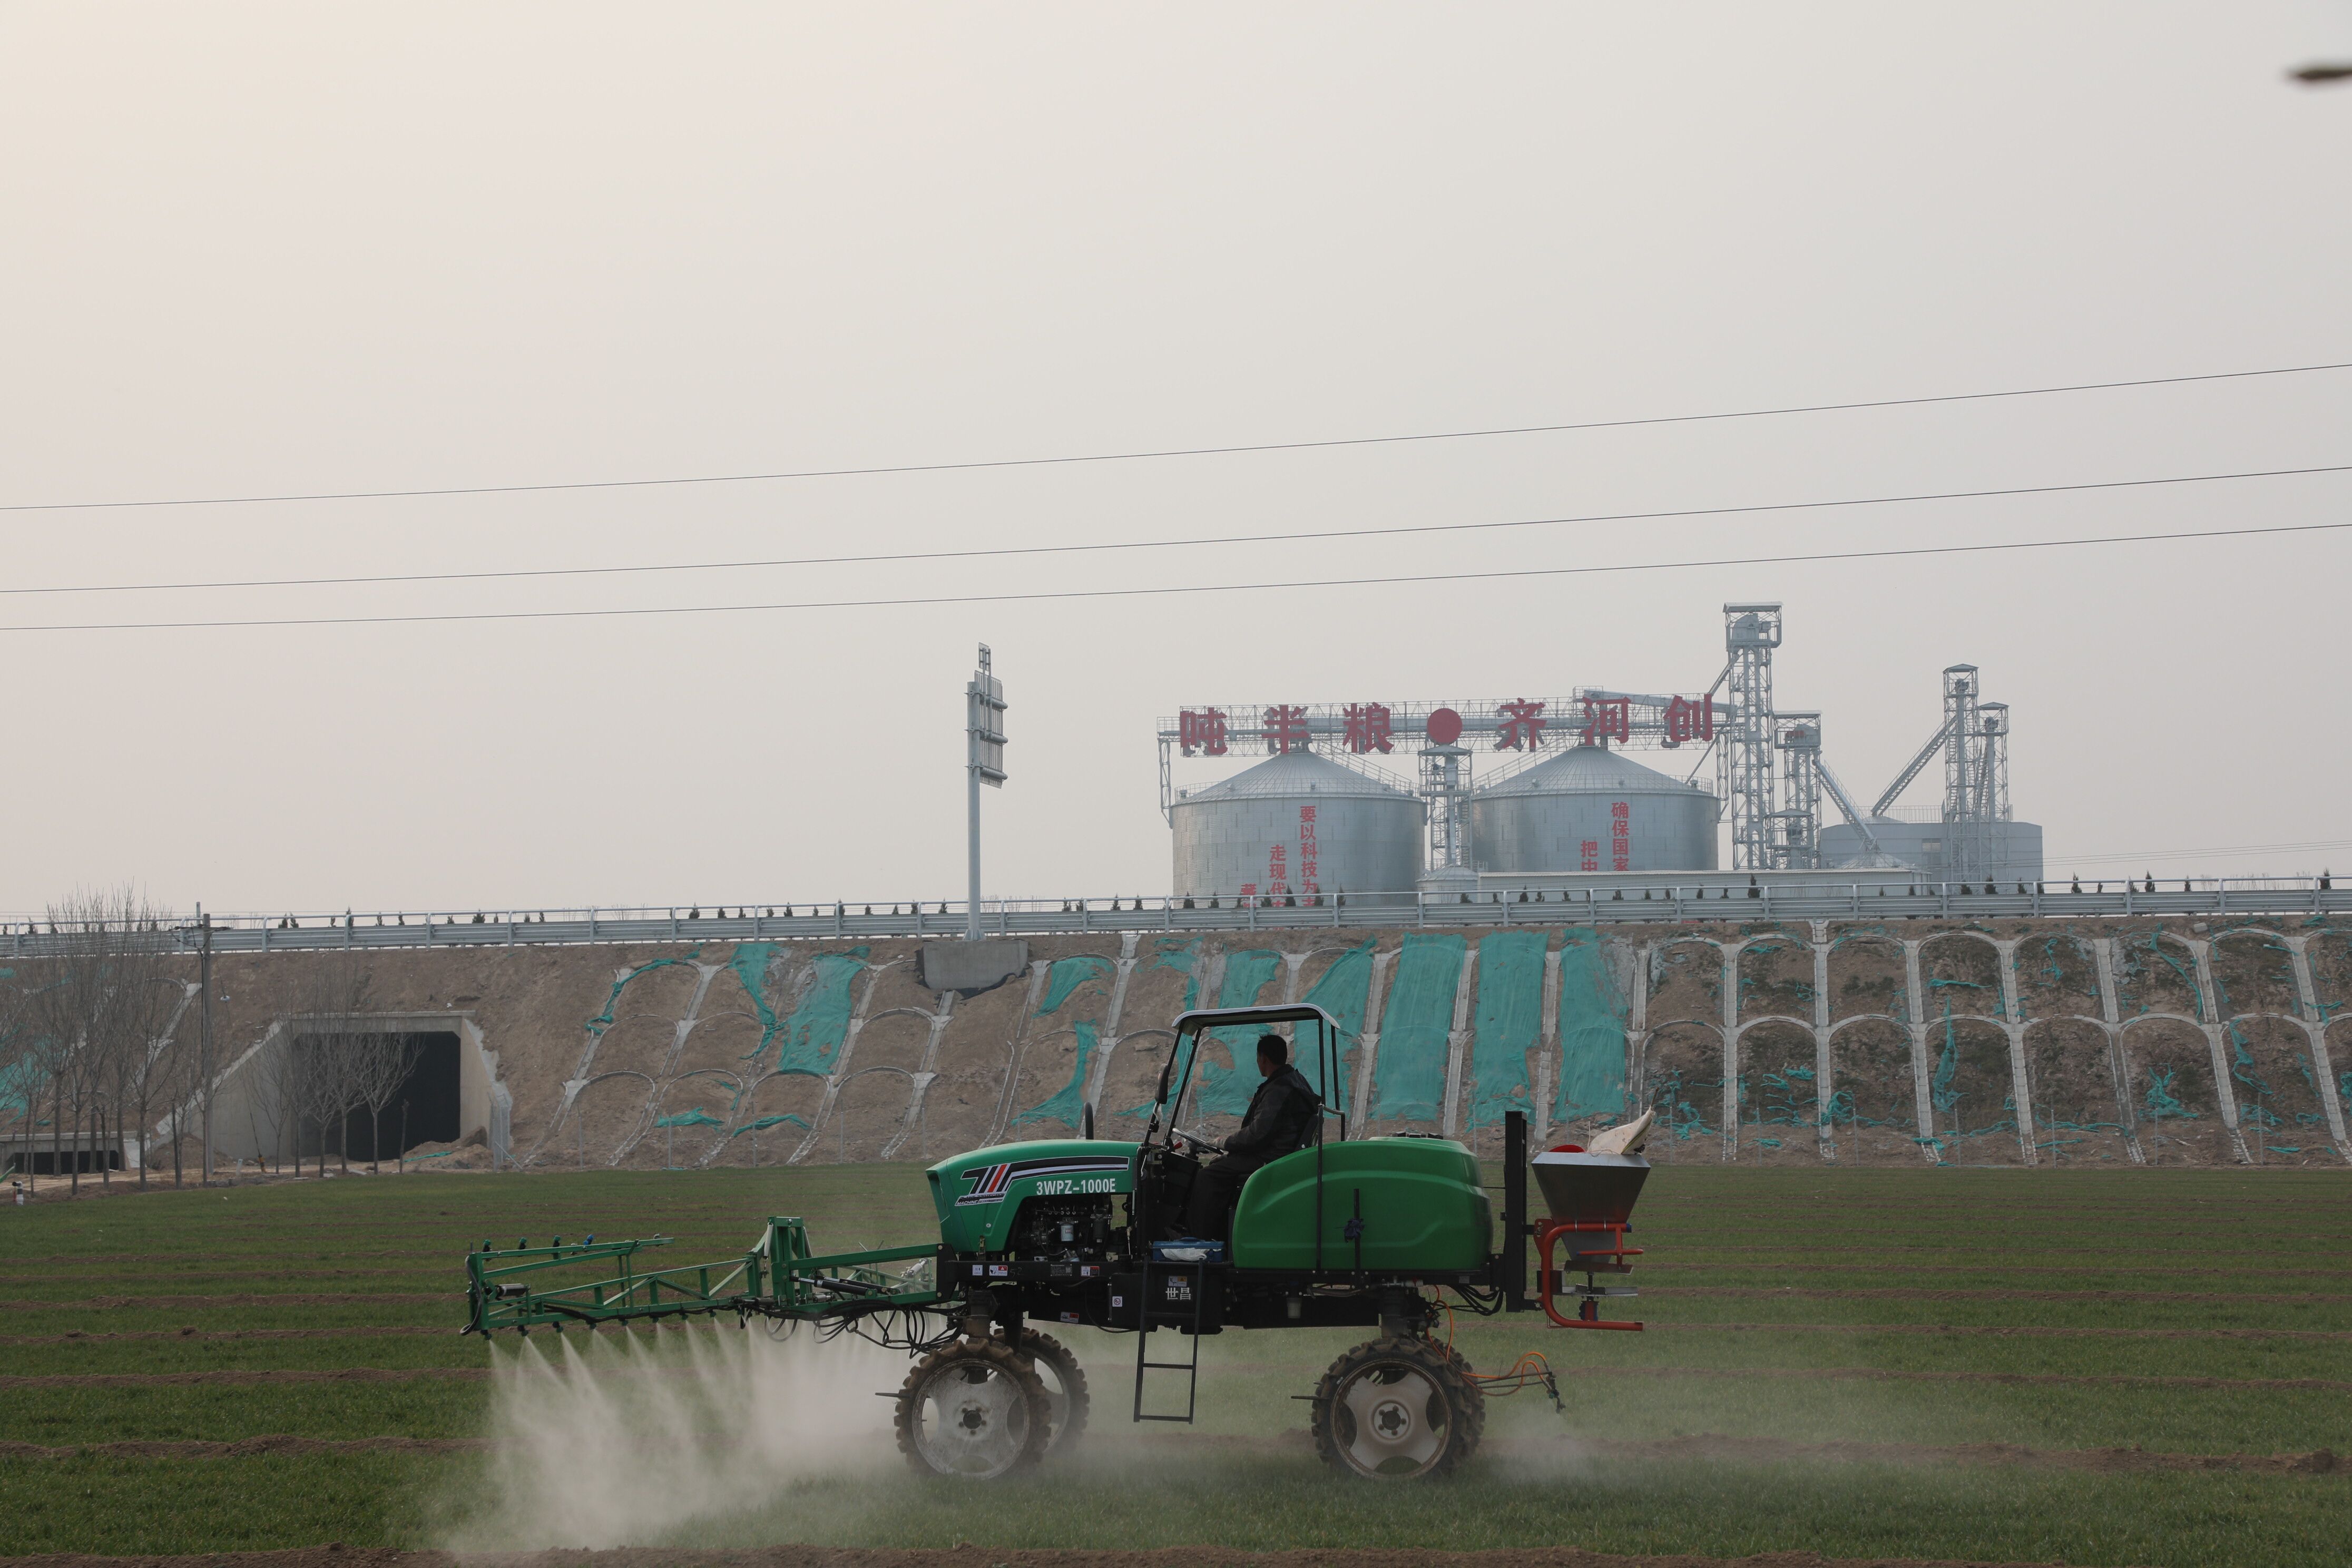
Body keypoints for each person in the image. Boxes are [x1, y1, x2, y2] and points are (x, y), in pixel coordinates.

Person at [1183, 1033, 1321, 1241]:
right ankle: (1219, 1234)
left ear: (1263, 1058)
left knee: (1207, 1176)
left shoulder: (1279, 1090)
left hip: (1271, 1159)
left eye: (1258, 1058)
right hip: (1277, 1155)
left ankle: (1198, 1240)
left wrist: (1225, 1142)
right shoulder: (1292, 1082)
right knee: (1219, 1166)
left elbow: (1258, 1135)